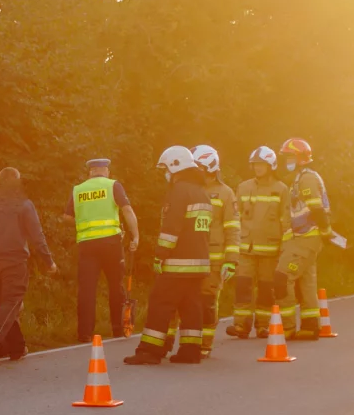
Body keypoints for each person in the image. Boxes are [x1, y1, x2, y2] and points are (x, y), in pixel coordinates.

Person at [124, 146, 211, 365]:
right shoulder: (201, 192)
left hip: (178, 262)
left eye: (166, 169)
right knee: (191, 306)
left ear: (175, 166)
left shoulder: (179, 191)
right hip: (199, 263)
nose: (165, 174)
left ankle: (149, 351)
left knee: (160, 302)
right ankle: (191, 351)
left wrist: (160, 254)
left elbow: (172, 227)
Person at [0, 167, 57, 367]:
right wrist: (49, 261)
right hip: (15, 263)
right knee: (10, 303)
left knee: (6, 306)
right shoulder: (24, 206)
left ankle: (17, 347)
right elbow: (37, 237)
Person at [164, 145, 240, 358]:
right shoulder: (184, 189)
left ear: (211, 168)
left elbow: (232, 228)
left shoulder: (225, 193)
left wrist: (231, 260)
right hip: (186, 256)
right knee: (177, 301)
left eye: (200, 168)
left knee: (206, 303)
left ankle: (203, 345)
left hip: (213, 260)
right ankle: (166, 342)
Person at [62, 158, 139, 343]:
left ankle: (84, 333)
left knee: (87, 289)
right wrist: (135, 236)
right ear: (106, 171)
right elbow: (127, 210)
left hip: (87, 245)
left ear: (90, 172)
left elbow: (66, 217)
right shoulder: (113, 185)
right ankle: (118, 329)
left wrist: (84, 223)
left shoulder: (78, 189)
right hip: (111, 243)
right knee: (116, 286)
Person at [225, 147, 291, 339]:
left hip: (271, 249)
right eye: (255, 165)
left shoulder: (281, 189)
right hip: (245, 248)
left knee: (266, 290)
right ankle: (240, 325)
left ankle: (263, 326)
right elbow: (235, 217)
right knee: (242, 287)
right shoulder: (243, 187)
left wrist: (285, 248)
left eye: (261, 164)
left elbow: (286, 221)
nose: (257, 168)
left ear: (271, 166)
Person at [275, 138, 332, 340]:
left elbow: (316, 209)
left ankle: (288, 327)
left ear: (300, 158)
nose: (287, 161)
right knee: (306, 282)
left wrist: (326, 231)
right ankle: (310, 326)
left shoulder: (306, 178)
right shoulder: (299, 178)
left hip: (306, 237)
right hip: (304, 237)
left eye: (290, 157)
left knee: (282, 278)